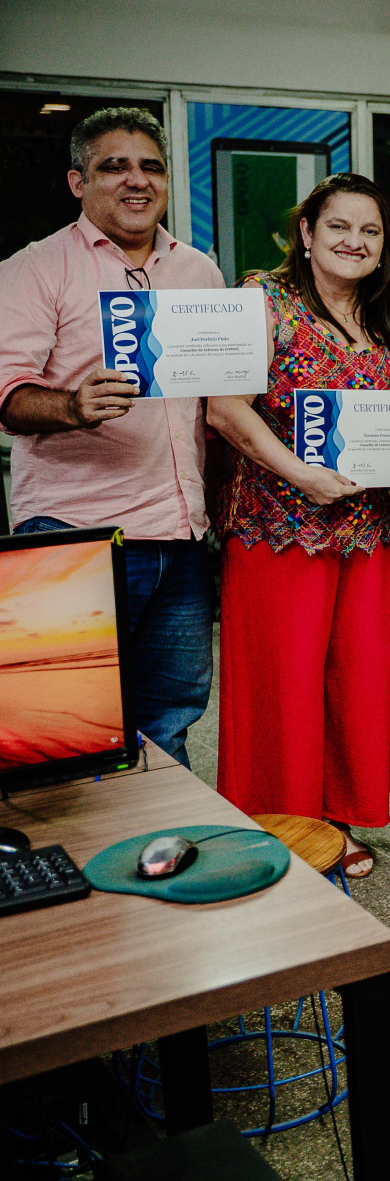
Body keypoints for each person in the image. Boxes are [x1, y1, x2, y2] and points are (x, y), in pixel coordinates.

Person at [0, 108, 224, 765]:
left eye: (151, 166)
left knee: (171, 715)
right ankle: (76, 862)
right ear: (78, 181)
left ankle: (156, 856)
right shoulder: (34, 269)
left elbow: (220, 399)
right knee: (68, 722)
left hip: (181, 537)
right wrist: (71, 404)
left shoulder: (200, 272)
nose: (136, 180)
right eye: (113, 166)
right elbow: (7, 394)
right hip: (77, 532)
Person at [206, 174, 390, 878]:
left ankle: (335, 820)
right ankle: (277, 827)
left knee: (352, 680)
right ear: (307, 233)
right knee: (282, 682)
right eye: (340, 226)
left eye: (371, 231)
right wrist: (301, 474)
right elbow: (224, 408)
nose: (355, 240)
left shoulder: (380, 317)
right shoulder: (264, 299)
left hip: (366, 532)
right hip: (277, 527)